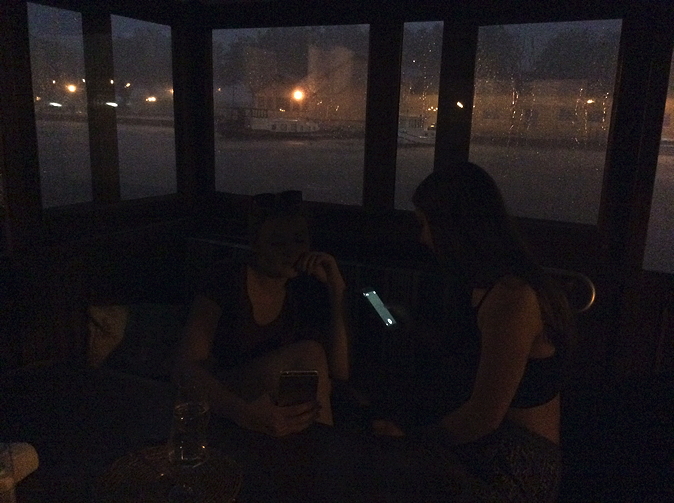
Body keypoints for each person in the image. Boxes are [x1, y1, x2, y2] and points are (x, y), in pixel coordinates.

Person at [370, 162, 576, 502]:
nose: (422, 237)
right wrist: (410, 328)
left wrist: (412, 441)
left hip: (519, 461)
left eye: (425, 224)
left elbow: (483, 416)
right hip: (489, 444)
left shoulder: (513, 298)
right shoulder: (480, 285)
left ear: (453, 227)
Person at [177, 190, 349, 437]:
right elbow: (186, 368)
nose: (291, 251)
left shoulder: (305, 288)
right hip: (220, 396)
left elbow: (340, 372)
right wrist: (244, 413)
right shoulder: (226, 279)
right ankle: (322, 447)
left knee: (313, 363)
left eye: (299, 241)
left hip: (275, 403)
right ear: (256, 244)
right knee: (309, 353)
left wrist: (336, 290)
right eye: (277, 243)